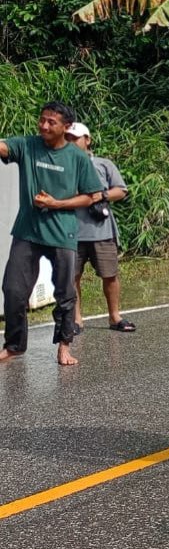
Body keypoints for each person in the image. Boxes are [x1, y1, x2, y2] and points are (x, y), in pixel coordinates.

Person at [1, 101, 102, 366]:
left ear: (66, 128)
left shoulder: (77, 157)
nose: (44, 125)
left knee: (65, 292)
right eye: (42, 119)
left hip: (61, 234)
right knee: (12, 289)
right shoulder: (27, 145)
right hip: (27, 231)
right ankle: (14, 346)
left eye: (51, 122)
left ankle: (64, 346)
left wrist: (57, 204)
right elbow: (4, 147)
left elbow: (92, 196)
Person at [65, 122, 136, 333]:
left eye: (75, 138)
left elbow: (121, 190)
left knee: (110, 274)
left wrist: (101, 196)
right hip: (71, 231)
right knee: (72, 277)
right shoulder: (61, 165)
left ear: (87, 140)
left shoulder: (104, 165)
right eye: (67, 138)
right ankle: (77, 320)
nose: (70, 142)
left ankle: (115, 317)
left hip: (101, 231)